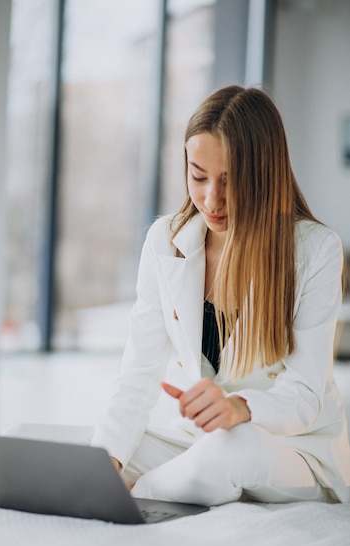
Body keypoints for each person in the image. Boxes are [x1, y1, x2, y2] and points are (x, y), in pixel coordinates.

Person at [91, 85, 350, 506]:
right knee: (99, 452)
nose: (212, 200)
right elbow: (138, 374)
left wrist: (240, 408)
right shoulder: (166, 240)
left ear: (265, 174)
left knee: (233, 449)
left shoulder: (316, 250)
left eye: (231, 181)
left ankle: (131, 500)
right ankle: (108, 485)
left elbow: (304, 394)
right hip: (204, 441)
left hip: (293, 448)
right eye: (198, 176)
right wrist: (111, 462)